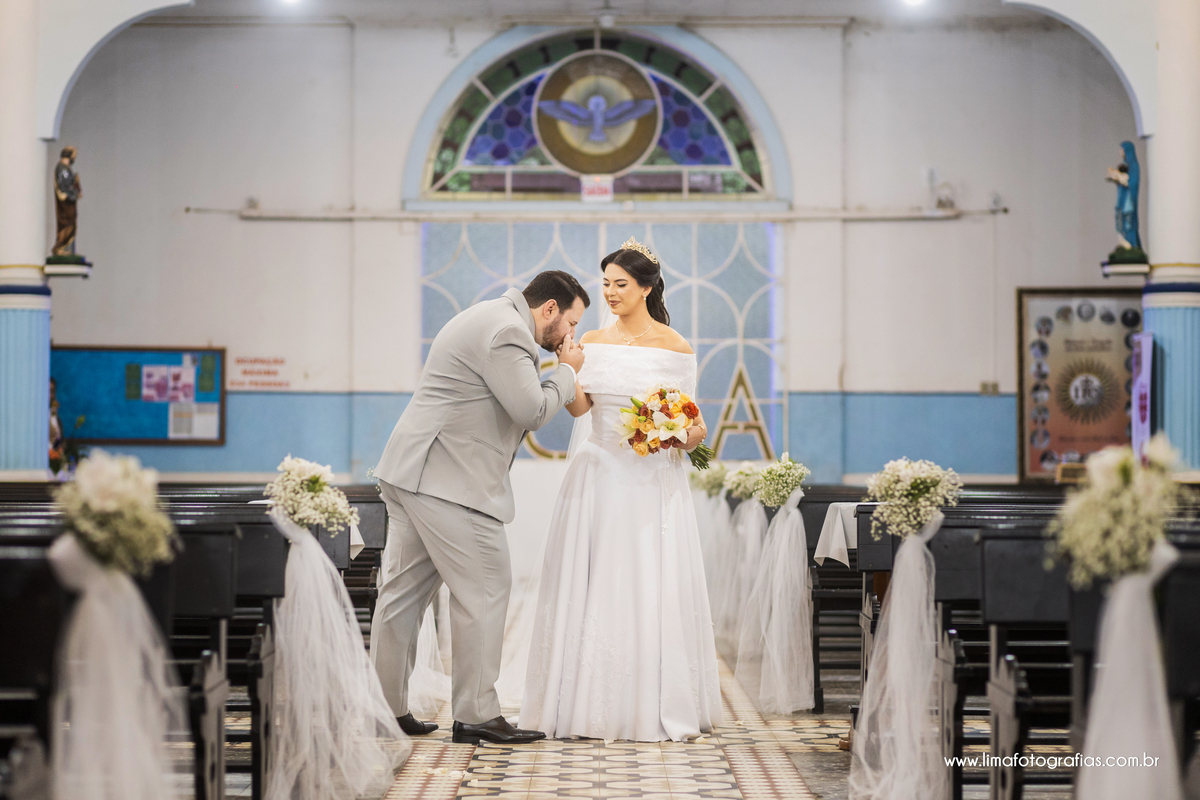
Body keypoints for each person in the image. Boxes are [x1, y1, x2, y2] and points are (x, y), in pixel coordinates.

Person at [370, 271, 589, 745]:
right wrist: (567, 374)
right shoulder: (508, 332)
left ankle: (384, 710)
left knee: (402, 594)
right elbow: (530, 410)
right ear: (549, 308)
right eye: (571, 323)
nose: (570, 335)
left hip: (414, 471)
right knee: (487, 586)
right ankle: (476, 714)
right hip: (448, 481)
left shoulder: (488, 315)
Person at [519, 238, 722, 742]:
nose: (610, 292)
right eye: (605, 283)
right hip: (597, 473)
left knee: (646, 579)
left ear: (647, 288)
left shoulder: (675, 347)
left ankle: (650, 698)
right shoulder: (591, 339)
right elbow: (583, 411)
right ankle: (583, 699)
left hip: (651, 480)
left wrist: (671, 430)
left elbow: (698, 429)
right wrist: (567, 368)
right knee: (595, 580)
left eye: (621, 284)